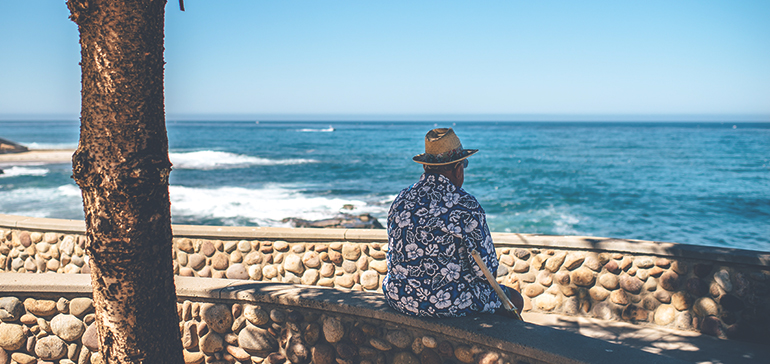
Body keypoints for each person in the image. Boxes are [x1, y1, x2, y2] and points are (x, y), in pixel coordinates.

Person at [382, 128, 523, 318]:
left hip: (400, 298)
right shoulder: (466, 205)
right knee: (515, 299)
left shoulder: (402, 199)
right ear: (458, 168)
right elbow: (487, 271)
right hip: (447, 305)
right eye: (464, 164)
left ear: (426, 167)